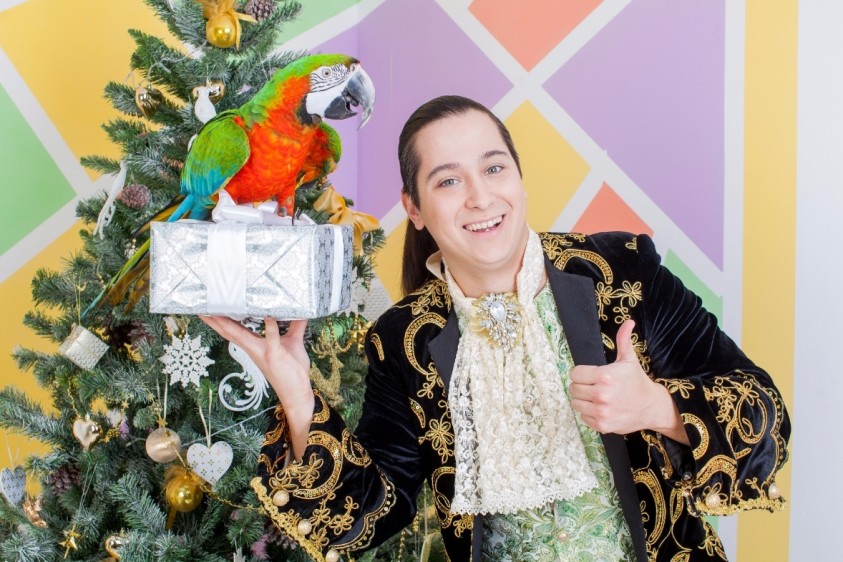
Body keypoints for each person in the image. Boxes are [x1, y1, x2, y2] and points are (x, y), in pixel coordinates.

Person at [202, 95, 790, 562]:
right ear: (414, 208)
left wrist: (658, 407)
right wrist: (298, 398)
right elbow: (365, 518)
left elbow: (767, 418)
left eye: (493, 168)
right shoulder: (402, 340)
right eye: (448, 181)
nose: (481, 197)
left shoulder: (621, 271)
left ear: (519, 176)